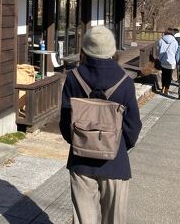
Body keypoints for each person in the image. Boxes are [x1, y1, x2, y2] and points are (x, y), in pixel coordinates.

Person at [60, 26, 142, 224]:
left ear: (86, 49)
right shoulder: (125, 81)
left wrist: (81, 140)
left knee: (83, 219)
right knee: (114, 218)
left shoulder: (73, 77)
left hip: (81, 160)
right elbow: (133, 126)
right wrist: (118, 145)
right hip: (115, 161)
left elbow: (65, 121)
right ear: (112, 49)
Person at [157, 29, 178, 95]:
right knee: (169, 76)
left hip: (163, 60)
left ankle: (162, 88)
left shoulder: (161, 40)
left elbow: (158, 50)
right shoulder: (174, 41)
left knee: (164, 75)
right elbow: (176, 51)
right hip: (171, 61)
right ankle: (166, 89)